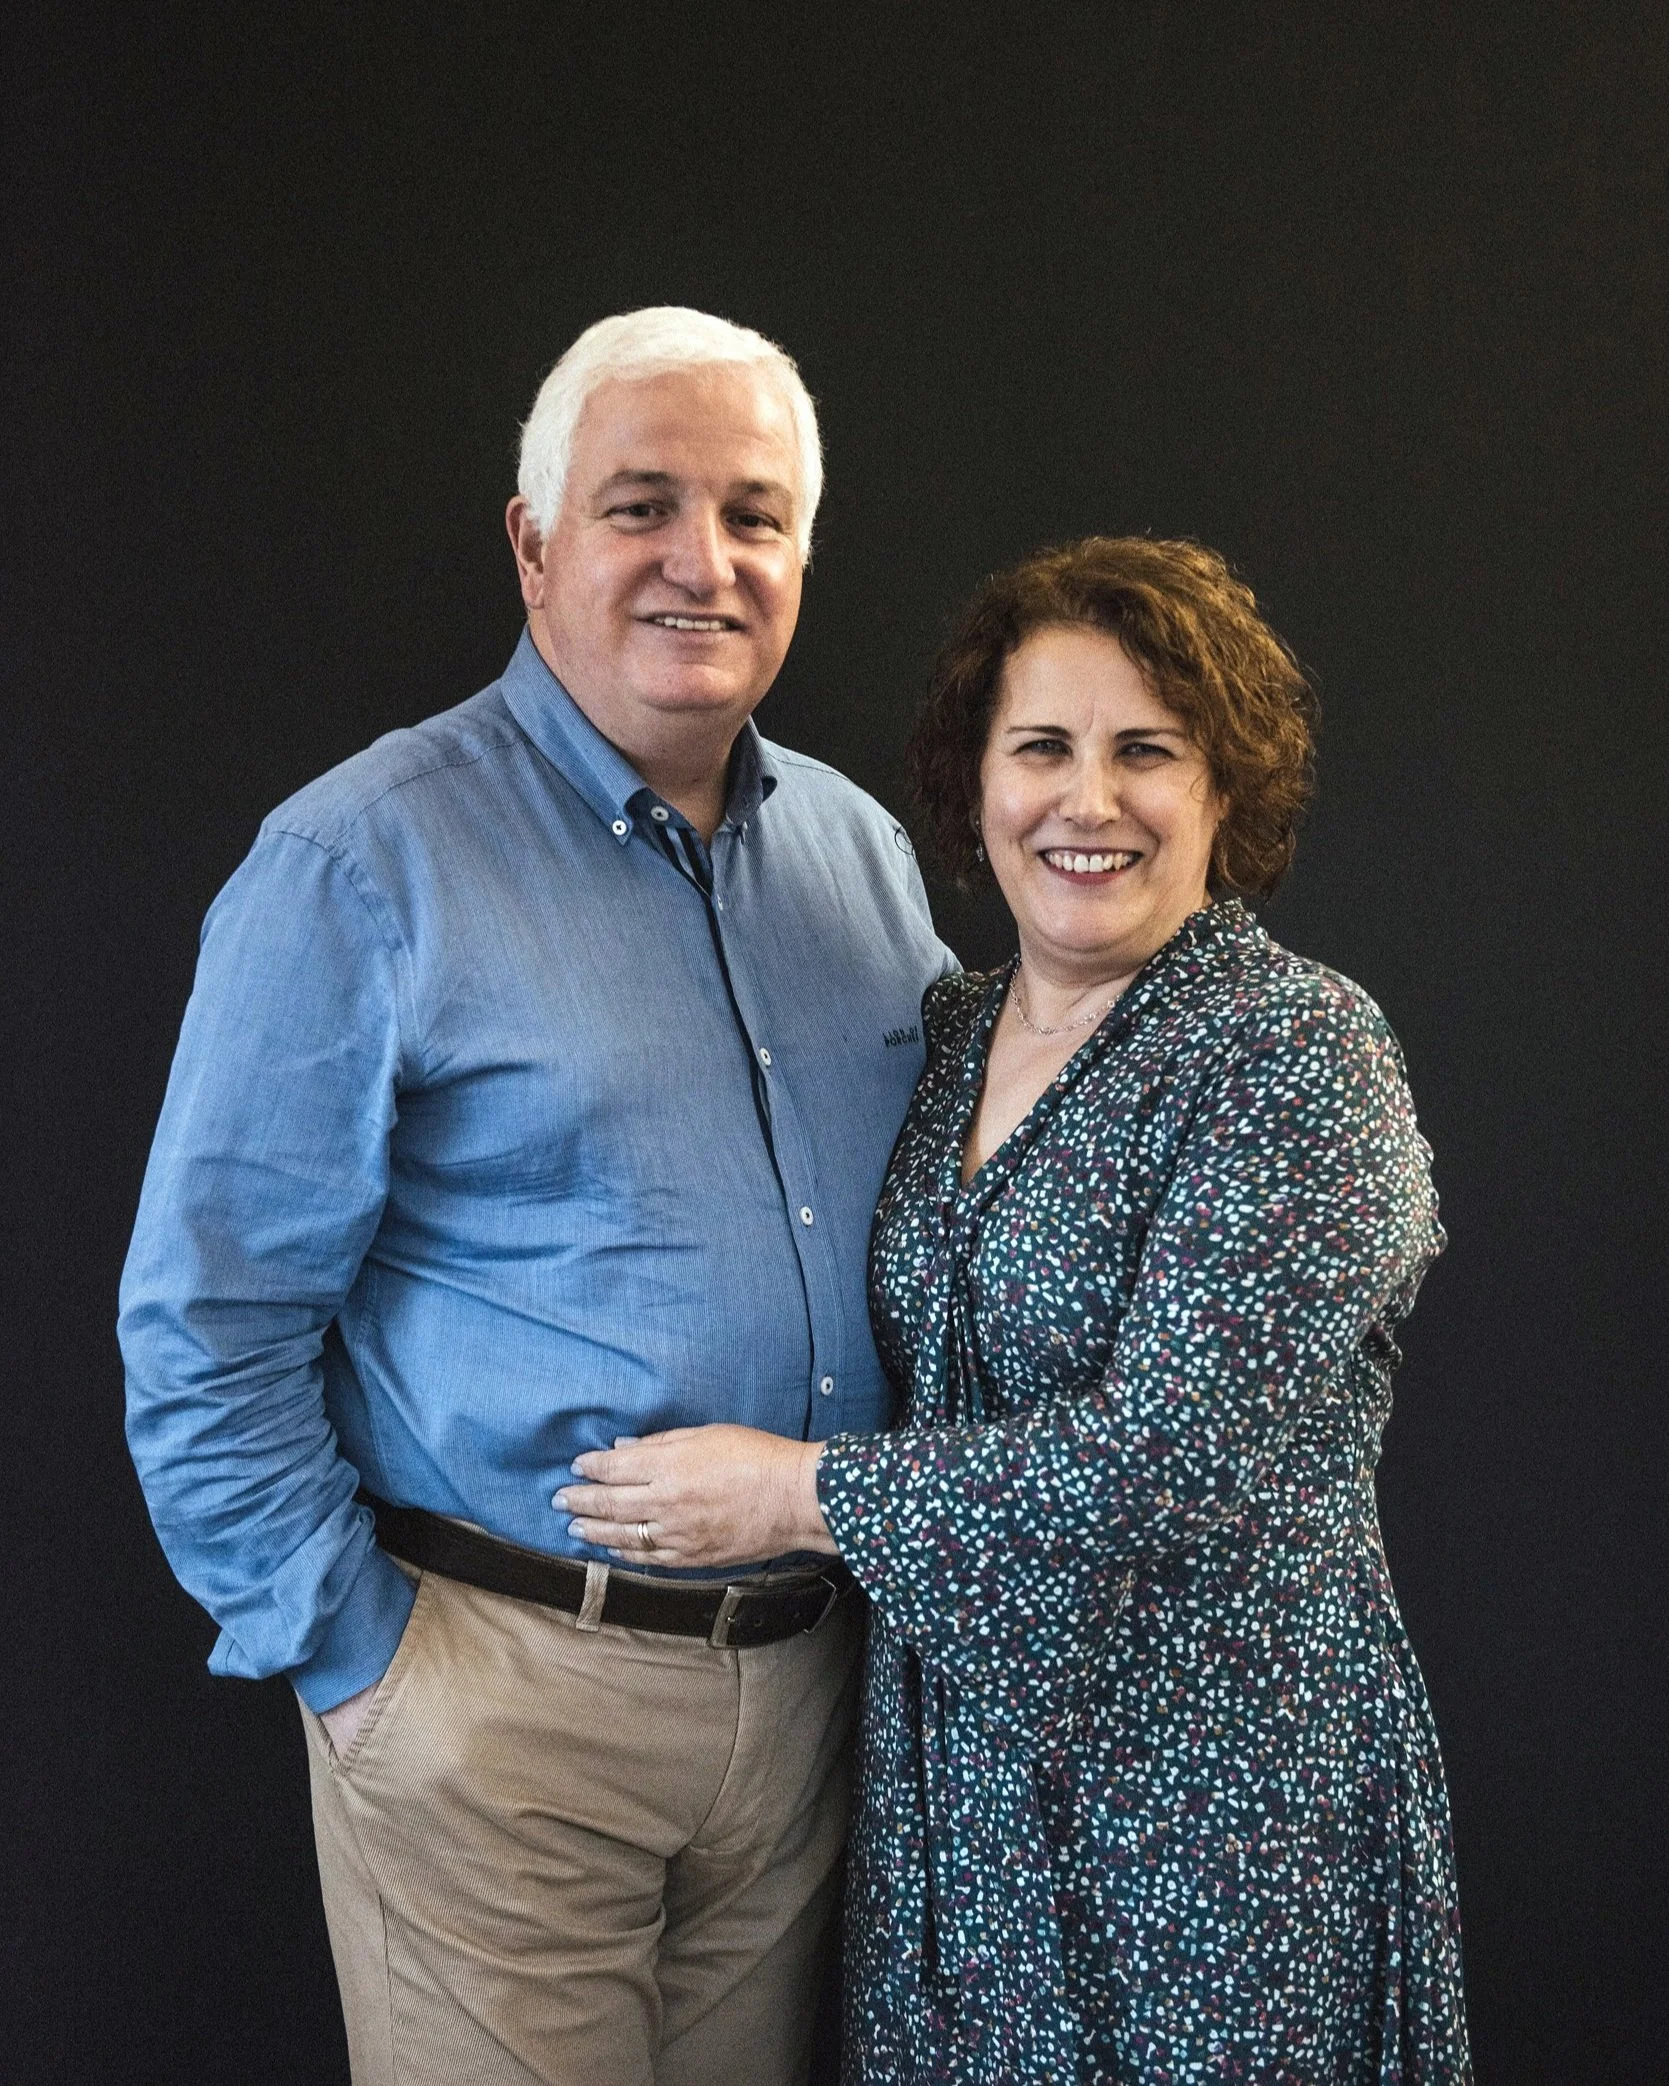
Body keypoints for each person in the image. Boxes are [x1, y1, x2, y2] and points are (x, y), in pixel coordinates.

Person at [120, 306, 954, 2086]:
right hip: (502, 1706)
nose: (702, 562)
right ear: (533, 542)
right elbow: (206, 1325)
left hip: (813, 1702)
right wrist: (364, 1670)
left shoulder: (863, 857)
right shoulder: (360, 861)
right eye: (641, 505)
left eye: (754, 515)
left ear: (803, 556)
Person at [562, 537, 1472, 2081]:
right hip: (960, 1813)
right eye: (1041, 747)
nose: (1086, 800)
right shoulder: (949, 1036)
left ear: (1226, 790)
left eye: (1146, 752)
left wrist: (792, 1494)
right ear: (977, 787)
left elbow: (1168, 1456)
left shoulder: (1296, 1053)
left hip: (1216, 1818)